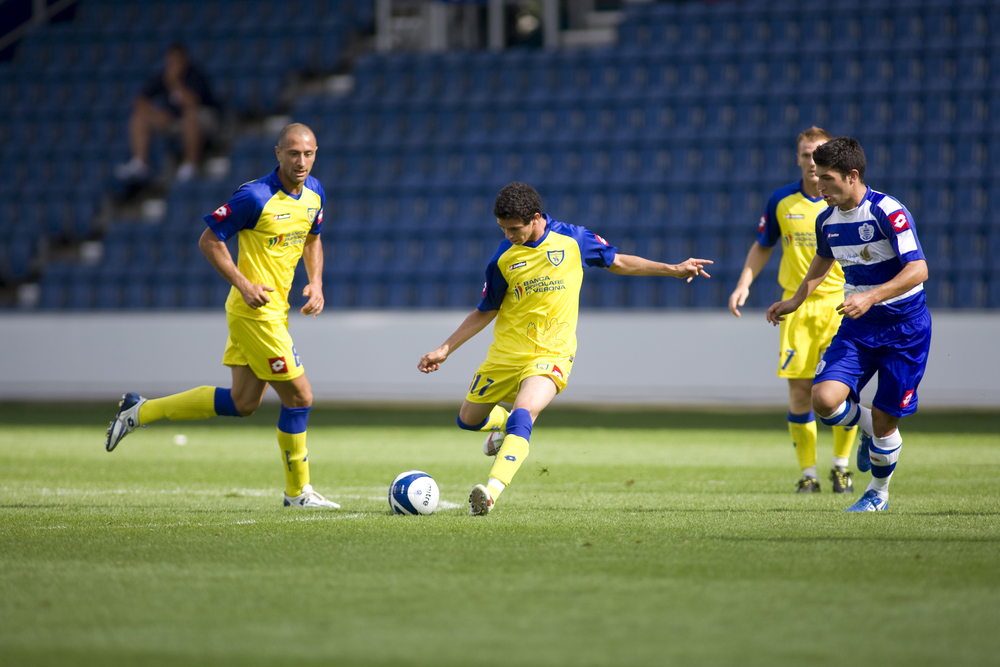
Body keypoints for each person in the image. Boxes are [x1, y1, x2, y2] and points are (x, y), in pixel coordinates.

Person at [417, 182, 713, 516]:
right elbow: (486, 310)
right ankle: (500, 427)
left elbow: (619, 262)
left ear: (535, 218)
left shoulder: (573, 239)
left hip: (552, 354)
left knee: (524, 414)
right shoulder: (502, 258)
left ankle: (491, 493)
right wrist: (445, 349)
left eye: (514, 229)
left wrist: (672, 269)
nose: (509, 235)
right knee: (468, 421)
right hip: (506, 354)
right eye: (502, 229)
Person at [105, 123, 339, 509]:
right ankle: (298, 493)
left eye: (309, 154)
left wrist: (316, 283)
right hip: (254, 313)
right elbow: (209, 240)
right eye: (294, 153)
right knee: (300, 397)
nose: (302, 162)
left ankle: (139, 411)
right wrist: (244, 284)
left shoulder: (315, 192)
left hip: (275, 313)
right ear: (278, 153)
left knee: (243, 402)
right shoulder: (255, 196)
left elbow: (312, 239)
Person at [766, 136, 931, 512]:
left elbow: (919, 269)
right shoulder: (827, 220)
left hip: (904, 328)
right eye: (817, 177)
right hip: (859, 327)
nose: (818, 185)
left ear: (852, 176)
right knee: (823, 400)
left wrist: (871, 295)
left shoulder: (887, 211)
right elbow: (822, 262)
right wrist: (794, 300)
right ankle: (871, 431)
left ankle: (877, 493)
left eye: (826, 179)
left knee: (888, 421)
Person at [729, 127, 858, 494]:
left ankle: (841, 468)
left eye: (817, 153)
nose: (811, 161)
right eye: (805, 154)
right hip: (796, 308)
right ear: (798, 158)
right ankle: (809, 473)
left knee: (841, 390)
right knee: (801, 392)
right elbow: (763, 244)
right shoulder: (782, 200)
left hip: (839, 306)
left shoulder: (840, 201)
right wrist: (744, 283)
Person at [115, 43, 220, 184]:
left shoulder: (194, 75)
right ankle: (140, 163)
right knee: (139, 116)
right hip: (175, 120)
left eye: (176, 61)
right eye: (170, 61)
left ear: (185, 59)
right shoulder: (163, 75)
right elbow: (140, 100)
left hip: (205, 119)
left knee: (190, 115)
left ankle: (190, 166)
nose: (172, 64)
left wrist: (174, 82)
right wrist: (157, 114)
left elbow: (192, 103)